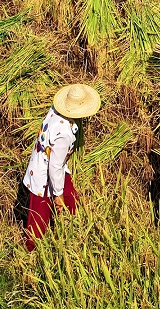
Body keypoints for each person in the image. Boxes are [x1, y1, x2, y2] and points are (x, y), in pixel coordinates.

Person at [21, 83, 101, 251]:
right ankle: (31, 251)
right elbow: (54, 166)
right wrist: (57, 195)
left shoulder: (55, 111)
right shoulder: (64, 133)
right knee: (38, 220)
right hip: (43, 176)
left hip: (52, 166)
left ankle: (72, 234)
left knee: (71, 200)